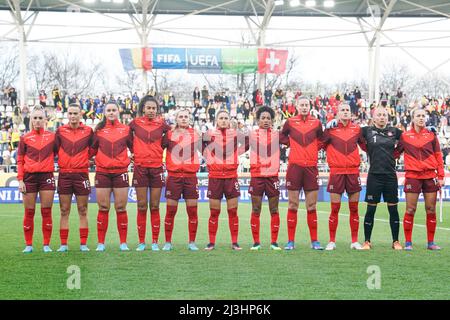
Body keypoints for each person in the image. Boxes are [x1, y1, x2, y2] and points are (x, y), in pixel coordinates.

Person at [395, 108, 444, 250]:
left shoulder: (432, 136)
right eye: (418, 116)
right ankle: (408, 243)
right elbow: (395, 153)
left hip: (430, 176)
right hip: (413, 176)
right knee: (410, 209)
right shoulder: (405, 136)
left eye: (423, 116)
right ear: (413, 118)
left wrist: (440, 176)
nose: (421, 118)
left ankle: (431, 243)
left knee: (431, 209)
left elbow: (438, 156)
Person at [280, 96, 324, 250]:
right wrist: (291, 144)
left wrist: (313, 149)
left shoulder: (317, 123)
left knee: (311, 206)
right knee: (293, 205)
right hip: (295, 167)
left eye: (306, 105)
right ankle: (290, 241)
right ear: (297, 107)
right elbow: (281, 136)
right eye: (301, 105)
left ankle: (315, 241)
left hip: (311, 167)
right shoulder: (290, 122)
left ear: (310, 106)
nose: (304, 107)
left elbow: (322, 139)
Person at [321, 103, 365, 250]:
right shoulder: (331, 129)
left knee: (354, 209)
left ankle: (354, 241)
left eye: (347, 110)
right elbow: (319, 143)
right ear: (337, 113)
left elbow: (366, 146)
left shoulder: (357, 129)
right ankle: (332, 241)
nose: (345, 112)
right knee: (335, 209)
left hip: (353, 172)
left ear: (351, 113)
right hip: (336, 172)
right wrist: (325, 128)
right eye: (342, 110)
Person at [129, 96, 170, 251]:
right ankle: (141, 242)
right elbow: (127, 140)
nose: (151, 111)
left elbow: (168, 140)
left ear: (157, 110)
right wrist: (135, 153)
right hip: (140, 168)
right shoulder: (135, 124)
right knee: (141, 205)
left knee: (154, 206)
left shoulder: (163, 125)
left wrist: (159, 150)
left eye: (154, 108)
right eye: (148, 108)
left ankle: (154, 242)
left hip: (157, 168)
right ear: (143, 108)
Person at [90, 102, 133, 252]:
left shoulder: (126, 130)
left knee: (121, 208)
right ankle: (101, 243)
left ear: (118, 111)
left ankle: (123, 243)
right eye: (108, 110)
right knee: (103, 207)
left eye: (114, 110)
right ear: (104, 112)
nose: (111, 112)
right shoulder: (99, 130)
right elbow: (92, 151)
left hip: (120, 172)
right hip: (102, 172)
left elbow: (134, 149)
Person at [203, 109, 246, 250]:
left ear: (229, 120)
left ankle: (234, 242)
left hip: (231, 177)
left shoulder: (235, 134)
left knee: (232, 211)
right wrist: (208, 157)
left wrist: (236, 153)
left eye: (226, 118)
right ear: (216, 120)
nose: (223, 120)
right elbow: (200, 145)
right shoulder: (209, 134)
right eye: (221, 118)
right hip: (215, 177)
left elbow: (247, 141)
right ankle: (211, 242)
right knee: (214, 211)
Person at [361, 106, 403, 250]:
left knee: (393, 210)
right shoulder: (366, 130)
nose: (382, 117)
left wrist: (396, 154)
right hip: (374, 176)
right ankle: (367, 241)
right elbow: (352, 134)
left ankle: (396, 241)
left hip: (390, 176)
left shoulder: (395, 132)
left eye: (384, 115)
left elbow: (408, 141)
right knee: (371, 210)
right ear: (373, 117)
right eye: (378, 115)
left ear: (388, 117)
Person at [55, 103, 93, 252]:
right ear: (67, 115)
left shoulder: (89, 131)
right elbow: (55, 148)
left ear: (80, 114)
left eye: (75, 113)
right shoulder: (60, 131)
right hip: (64, 174)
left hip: (81, 174)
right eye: (70, 113)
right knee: (64, 210)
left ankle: (83, 244)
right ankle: (63, 244)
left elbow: (94, 148)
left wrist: (84, 158)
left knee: (82, 209)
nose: (72, 116)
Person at [161, 109, 201, 251]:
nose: (184, 119)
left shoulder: (196, 134)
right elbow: (158, 149)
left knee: (192, 211)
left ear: (189, 119)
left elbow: (207, 150)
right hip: (174, 177)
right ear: (176, 119)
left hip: (191, 177)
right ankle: (167, 242)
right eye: (181, 117)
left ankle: (192, 242)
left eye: (186, 117)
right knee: (171, 211)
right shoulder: (170, 134)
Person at [17, 106, 56, 253]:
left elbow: (59, 152)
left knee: (46, 211)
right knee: (29, 212)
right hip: (29, 178)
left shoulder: (52, 137)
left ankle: (46, 245)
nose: (38, 121)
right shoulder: (24, 138)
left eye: (40, 118)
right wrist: (20, 180)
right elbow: (20, 161)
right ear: (31, 120)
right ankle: (29, 245)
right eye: (35, 118)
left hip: (47, 177)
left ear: (45, 120)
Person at [248, 106, 282, 250]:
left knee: (274, 209)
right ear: (258, 120)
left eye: (269, 118)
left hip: (273, 177)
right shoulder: (250, 135)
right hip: (257, 176)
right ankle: (256, 242)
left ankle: (274, 242)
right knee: (256, 209)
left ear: (272, 120)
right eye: (263, 118)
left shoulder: (278, 135)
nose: (266, 120)